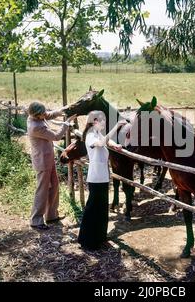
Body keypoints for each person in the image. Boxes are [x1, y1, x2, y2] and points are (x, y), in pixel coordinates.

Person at [78, 110, 127, 250]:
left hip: (103, 177)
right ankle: (87, 240)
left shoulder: (97, 133)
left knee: (101, 209)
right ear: (95, 121)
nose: (104, 123)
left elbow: (105, 140)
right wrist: (116, 127)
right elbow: (100, 143)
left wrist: (114, 145)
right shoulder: (90, 135)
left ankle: (100, 237)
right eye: (103, 120)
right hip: (95, 178)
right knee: (92, 209)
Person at [27, 101, 77, 230]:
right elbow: (56, 136)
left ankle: (51, 215)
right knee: (42, 190)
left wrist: (61, 111)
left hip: (47, 158)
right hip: (42, 161)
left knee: (54, 185)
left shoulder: (35, 116)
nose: (45, 114)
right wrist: (66, 123)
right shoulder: (35, 127)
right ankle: (36, 220)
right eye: (42, 114)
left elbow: (48, 115)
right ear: (37, 115)